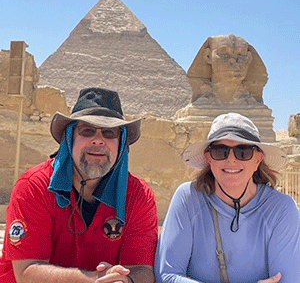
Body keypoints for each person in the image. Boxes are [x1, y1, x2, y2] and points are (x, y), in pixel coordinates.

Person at [0, 87, 158, 283]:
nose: (98, 140)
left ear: (122, 142)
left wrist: (126, 281)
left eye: (109, 133)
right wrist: (97, 279)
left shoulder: (138, 195)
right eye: (87, 130)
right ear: (70, 137)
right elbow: (27, 273)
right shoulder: (33, 186)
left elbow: (142, 269)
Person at [155, 112, 300, 283]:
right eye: (220, 151)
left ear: (258, 159)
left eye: (243, 151)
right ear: (208, 157)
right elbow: (166, 276)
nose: (231, 160)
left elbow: (288, 279)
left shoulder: (281, 208)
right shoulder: (188, 198)